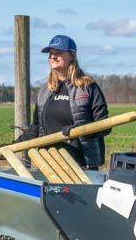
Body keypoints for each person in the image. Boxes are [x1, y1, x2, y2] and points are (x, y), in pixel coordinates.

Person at [25, 35, 109, 169]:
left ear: (72, 56)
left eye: (58, 53)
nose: (53, 57)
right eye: (51, 54)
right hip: (49, 165)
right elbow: (35, 128)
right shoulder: (45, 91)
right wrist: (11, 146)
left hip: (82, 166)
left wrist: (79, 130)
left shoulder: (87, 87)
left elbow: (105, 126)